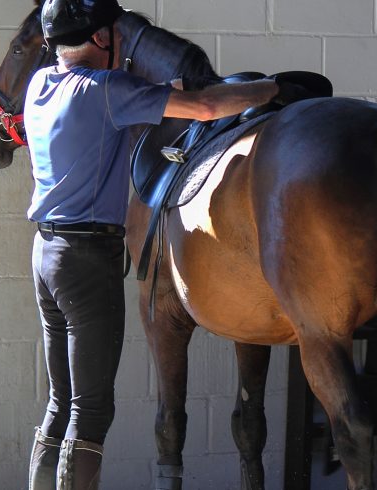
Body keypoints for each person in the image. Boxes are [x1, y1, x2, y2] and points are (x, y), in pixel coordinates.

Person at [25, 1, 279, 489]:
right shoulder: (107, 89)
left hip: (47, 257)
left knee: (60, 402)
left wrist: (170, 91)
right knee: (91, 410)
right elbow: (204, 109)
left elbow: (160, 97)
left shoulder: (42, 84)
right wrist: (271, 89)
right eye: (115, 31)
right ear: (101, 39)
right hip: (87, 263)